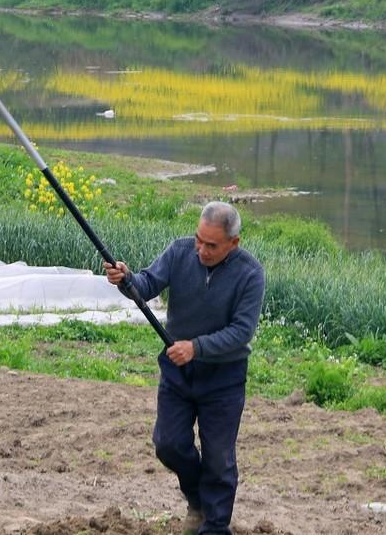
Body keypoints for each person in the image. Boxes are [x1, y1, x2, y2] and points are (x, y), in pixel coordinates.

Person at [104, 201, 265, 535]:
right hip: (178, 371)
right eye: (198, 239)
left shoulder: (250, 273)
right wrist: (126, 278)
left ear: (233, 244)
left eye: (211, 245)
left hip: (224, 377)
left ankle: (216, 527)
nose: (201, 250)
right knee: (168, 443)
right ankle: (199, 502)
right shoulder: (179, 253)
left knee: (219, 460)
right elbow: (146, 284)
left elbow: (241, 331)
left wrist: (197, 347)